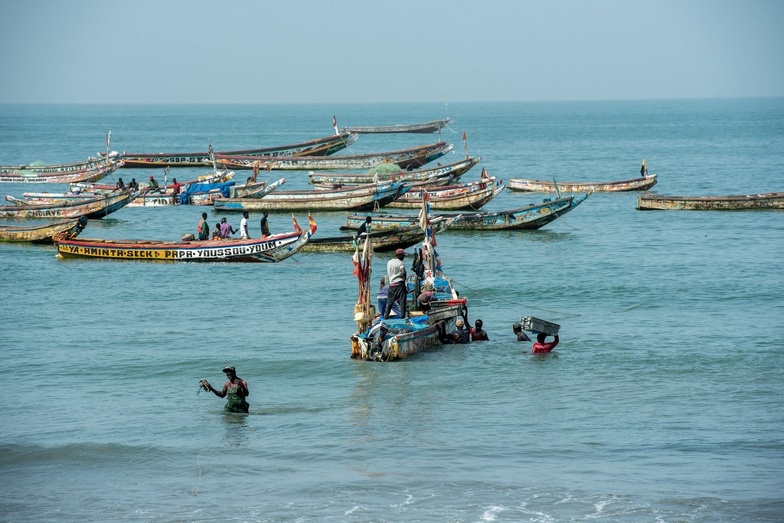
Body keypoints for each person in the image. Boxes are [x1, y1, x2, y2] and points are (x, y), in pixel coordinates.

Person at [383, 248, 407, 319]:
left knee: (390, 302)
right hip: (399, 284)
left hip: (392, 285)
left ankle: (386, 316)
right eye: (403, 256)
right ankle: (403, 317)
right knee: (402, 302)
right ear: (399, 256)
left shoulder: (389, 262)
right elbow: (403, 272)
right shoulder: (400, 262)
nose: (403, 257)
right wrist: (404, 278)